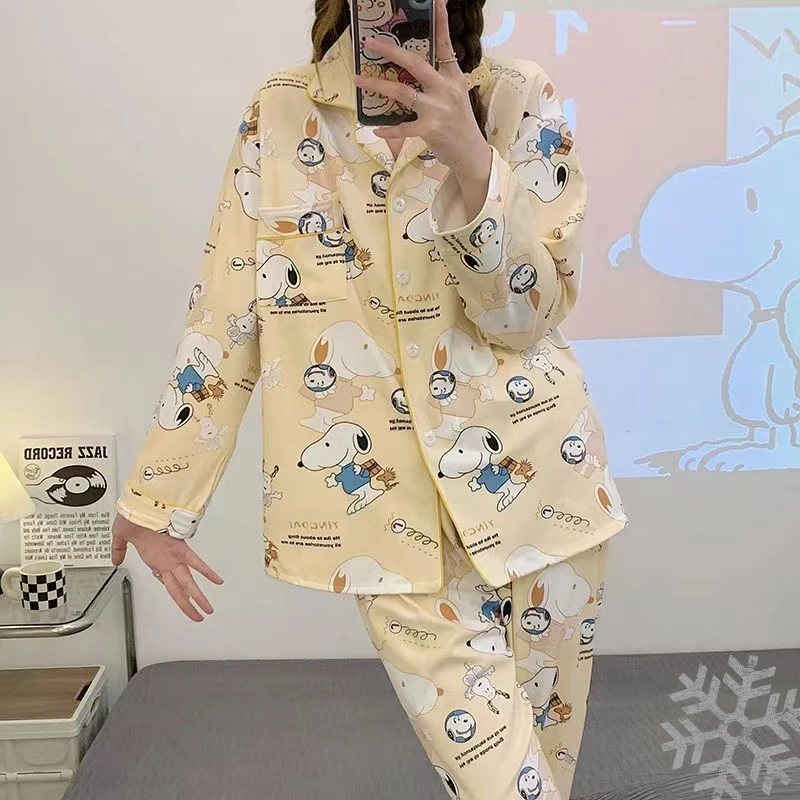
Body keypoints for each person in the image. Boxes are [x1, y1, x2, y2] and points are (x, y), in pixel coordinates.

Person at [111, 1, 629, 797]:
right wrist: (158, 500)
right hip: (384, 524)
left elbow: (528, 317)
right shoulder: (281, 112)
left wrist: (472, 160)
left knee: (542, 781)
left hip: (542, 496)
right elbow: (226, 313)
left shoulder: (517, 97)